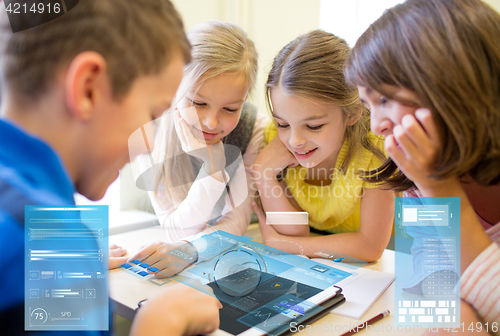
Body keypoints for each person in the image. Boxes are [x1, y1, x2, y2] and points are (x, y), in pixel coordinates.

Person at [0, 1, 221, 335]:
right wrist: (161, 322)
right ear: (88, 88)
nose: (148, 143)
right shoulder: (55, 244)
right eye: (151, 115)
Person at [344, 0, 500, 333]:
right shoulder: (413, 180)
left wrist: (438, 187)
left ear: (451, 83)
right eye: (368, 105)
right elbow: (431, 269)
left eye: (384, 99)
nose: (376, 127)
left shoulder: (427, 177)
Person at [252, 30, 395, 262]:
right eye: (283, 123)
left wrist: (286, 245)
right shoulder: (276, 140)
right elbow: (296, 230)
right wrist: (263, 174)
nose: (294, 140)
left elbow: (371, 247)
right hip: (323, 249)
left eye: (314, 126)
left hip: (396, 254)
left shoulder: (376, 146)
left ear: (352, 114)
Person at [140, 21, 265, 243]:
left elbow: (237, 220)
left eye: (230, 109)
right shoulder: (148, 129)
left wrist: (213, 169)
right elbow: (175, 231)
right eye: (198, 103)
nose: (211, 122)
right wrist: (212, 170)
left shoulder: (253, 128)